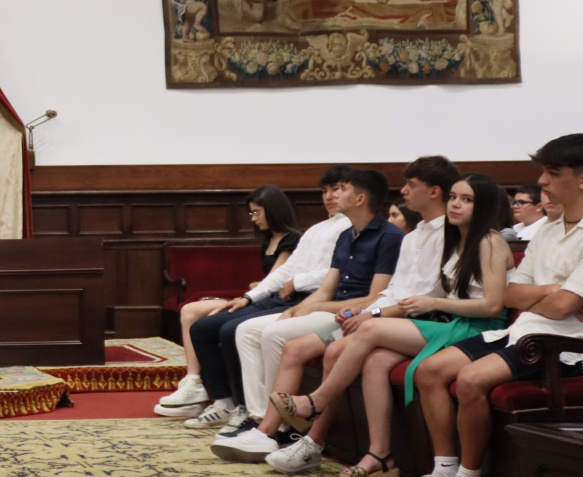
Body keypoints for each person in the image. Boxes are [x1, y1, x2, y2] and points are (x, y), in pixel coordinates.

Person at [405, 135, 583, 477]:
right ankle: (444, 470)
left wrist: (556, 297)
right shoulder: (550, 228)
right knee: (430, 371)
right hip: (525, 332)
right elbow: (510, 294)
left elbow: (566, 307)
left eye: (552, 173)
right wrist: (553, 290)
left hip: (569, 344)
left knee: (469, 379)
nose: (542, 181)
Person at [265, 172, 511, 477]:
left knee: (367, 331)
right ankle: (380, 455)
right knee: (375, 359)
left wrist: (421, 307)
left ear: (484, 205)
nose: (456, 204)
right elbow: (410, 291)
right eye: (454, 197)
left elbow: (490, 306)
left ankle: (316, 402)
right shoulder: (456, 239)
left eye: (467, 199)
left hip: (473, 327)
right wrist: (372, 310)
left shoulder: (489, 240)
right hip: (447, 319)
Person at [213, 168, 402, 461]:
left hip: (353, 312)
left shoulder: (388, 236)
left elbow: (376, 297)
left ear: (360, 198)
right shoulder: (345, 235)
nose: (334, 195)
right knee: (248, 330)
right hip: (333, 308)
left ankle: (275, 428)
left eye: (343, 189)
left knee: (276, 335)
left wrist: (315, 307)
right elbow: (327, 288)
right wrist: (297, 308)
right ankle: (260, 416)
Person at [183, 166, 352, 433]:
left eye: (337, 189)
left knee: (232, 330)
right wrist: (248, 298)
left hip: (308, 298)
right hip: (284, 295)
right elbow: (287, 269)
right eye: (325, 191)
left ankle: (251, 411)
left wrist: (296, 283)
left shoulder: (350, 228)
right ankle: (227, 402)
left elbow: (337, 273)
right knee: (203, 327)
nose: (329, 196)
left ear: (359, 194)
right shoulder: (317, 228)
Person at [156, 185, 299, 418]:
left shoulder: (292, 239)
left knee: (215, 323)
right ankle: (193, 382)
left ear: (273, 210)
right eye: (251, 213)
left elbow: (276, 279)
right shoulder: (269, 239)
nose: (253, 219)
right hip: (257, 295)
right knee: (190, 311)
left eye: (257, 213)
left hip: (270, 300)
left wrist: (252, 291)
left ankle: (231, 401)